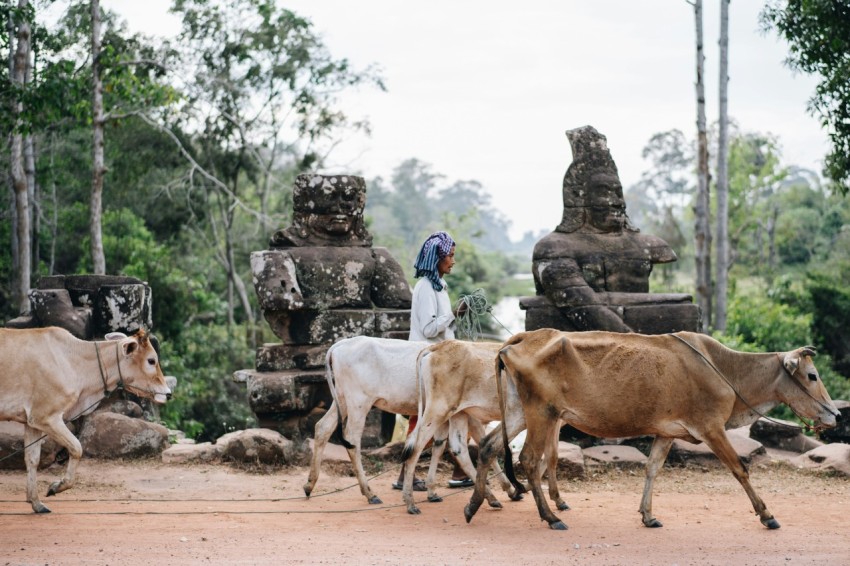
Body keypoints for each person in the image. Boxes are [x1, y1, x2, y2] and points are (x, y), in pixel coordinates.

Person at [392, 231, 472, 490]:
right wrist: (453, 314)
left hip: (441, 359)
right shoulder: (426, 287)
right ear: (436, 258)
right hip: (430, 361)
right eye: (449, 256)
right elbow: (428, 330)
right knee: (439, 416)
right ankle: (411, 474)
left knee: (453, 414)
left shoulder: (439, 285)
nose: (452, 261)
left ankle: (460, 471)